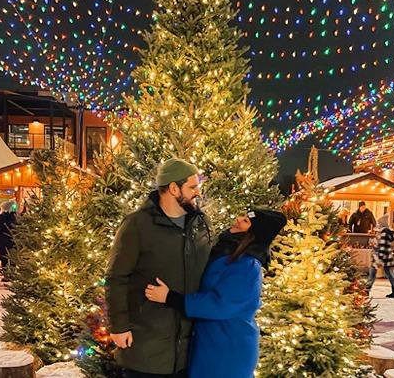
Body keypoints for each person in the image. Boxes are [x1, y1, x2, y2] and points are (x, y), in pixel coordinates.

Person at [145, 209, 287, 378]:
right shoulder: (227, 251)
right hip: (214, 343)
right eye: (242, 215)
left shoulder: (248, 266)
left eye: (246, 221)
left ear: (255, 233)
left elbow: (220, 304)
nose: (238, 219)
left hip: (228, 351)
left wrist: (170, 298)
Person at [105, 158, 212, 378]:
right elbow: (116, 277)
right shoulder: (137, 225)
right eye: (192, 187)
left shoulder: (201, 224)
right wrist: (119, 326)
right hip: (146, 348)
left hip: (186, 351)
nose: (198, 193)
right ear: (173, 188)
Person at [366, 214, 394, 298]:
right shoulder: (386, 232)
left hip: (381, 256)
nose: (377, 224)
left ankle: (366, 290)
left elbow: (383, 246)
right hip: (386, 256)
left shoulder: (384, 232)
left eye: (379, 222)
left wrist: (379, 258)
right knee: (389, 273)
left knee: (372, 273)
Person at [0, 200, 17, 281]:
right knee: (13, 258)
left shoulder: (0, 217)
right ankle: (12, 274)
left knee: (4, 258)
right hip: (13, 240)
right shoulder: (16, 217)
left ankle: (6, 275)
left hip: (3, 240)